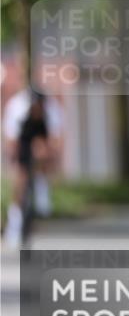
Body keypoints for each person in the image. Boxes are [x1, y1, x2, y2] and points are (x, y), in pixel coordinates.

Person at [2, 88, 64, 247]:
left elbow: (54, 140)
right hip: (22, 144)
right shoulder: (17, 109)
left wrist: (50, 158)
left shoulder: (51, 111)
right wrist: (15, 161)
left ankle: (42, 187)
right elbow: (12, 141)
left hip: (40, 144)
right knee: (20, 182)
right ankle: (14, 225)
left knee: (42, 152)